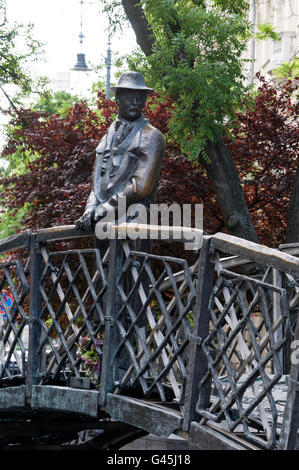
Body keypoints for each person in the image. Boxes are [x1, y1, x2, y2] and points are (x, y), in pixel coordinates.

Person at [75, 72, 165, 232]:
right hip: (102, 222)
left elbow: (140, 187)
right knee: (101, 257)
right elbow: (97, 185)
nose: (135, 103)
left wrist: (105, 209)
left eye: (140, 98)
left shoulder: (152, 136)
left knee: (131, 255)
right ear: (118, 99)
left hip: (134, 220)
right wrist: (91, 207)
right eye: (130, 97)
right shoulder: (105, 138)